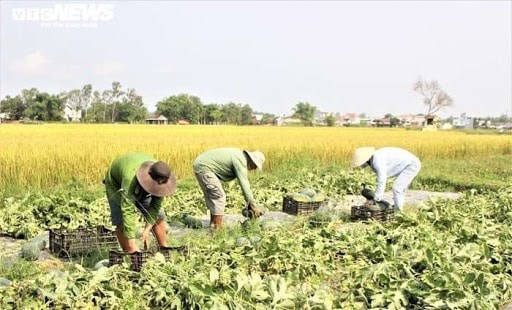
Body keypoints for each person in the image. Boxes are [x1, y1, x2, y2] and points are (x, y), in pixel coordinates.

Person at [104, 152, 177, 253]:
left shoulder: (162, 173)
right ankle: (130, 253)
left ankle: (163, 247)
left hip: (142, 176)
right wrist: (132, 243)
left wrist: (147, 229)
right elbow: (127, 209)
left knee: (159, 215)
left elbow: (155, 207)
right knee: (121, 220)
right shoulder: (130, 178)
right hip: (116, 184)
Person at [193, 147, 266, 228]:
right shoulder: (241, 161)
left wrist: (250, 205)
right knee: (219, 197)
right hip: (205, 168)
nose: (255, 168)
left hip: (201, 165)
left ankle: (213, 224)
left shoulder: (239, 156)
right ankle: (217, 227)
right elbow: (245, 185)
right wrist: (253, 206)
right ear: (252, 160)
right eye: (255, 165)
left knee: (214, 197)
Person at [351, 146, 421, 211]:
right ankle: (398, 208)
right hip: (407, 163)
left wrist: (377, 199)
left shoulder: (377, 161)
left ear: (365, 160)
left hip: (411, 165)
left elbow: (382, 179)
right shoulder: (375, 158)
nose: (361, 166)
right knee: (400, 188)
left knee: (398, 188)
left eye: (360, 163)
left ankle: (398, 213)